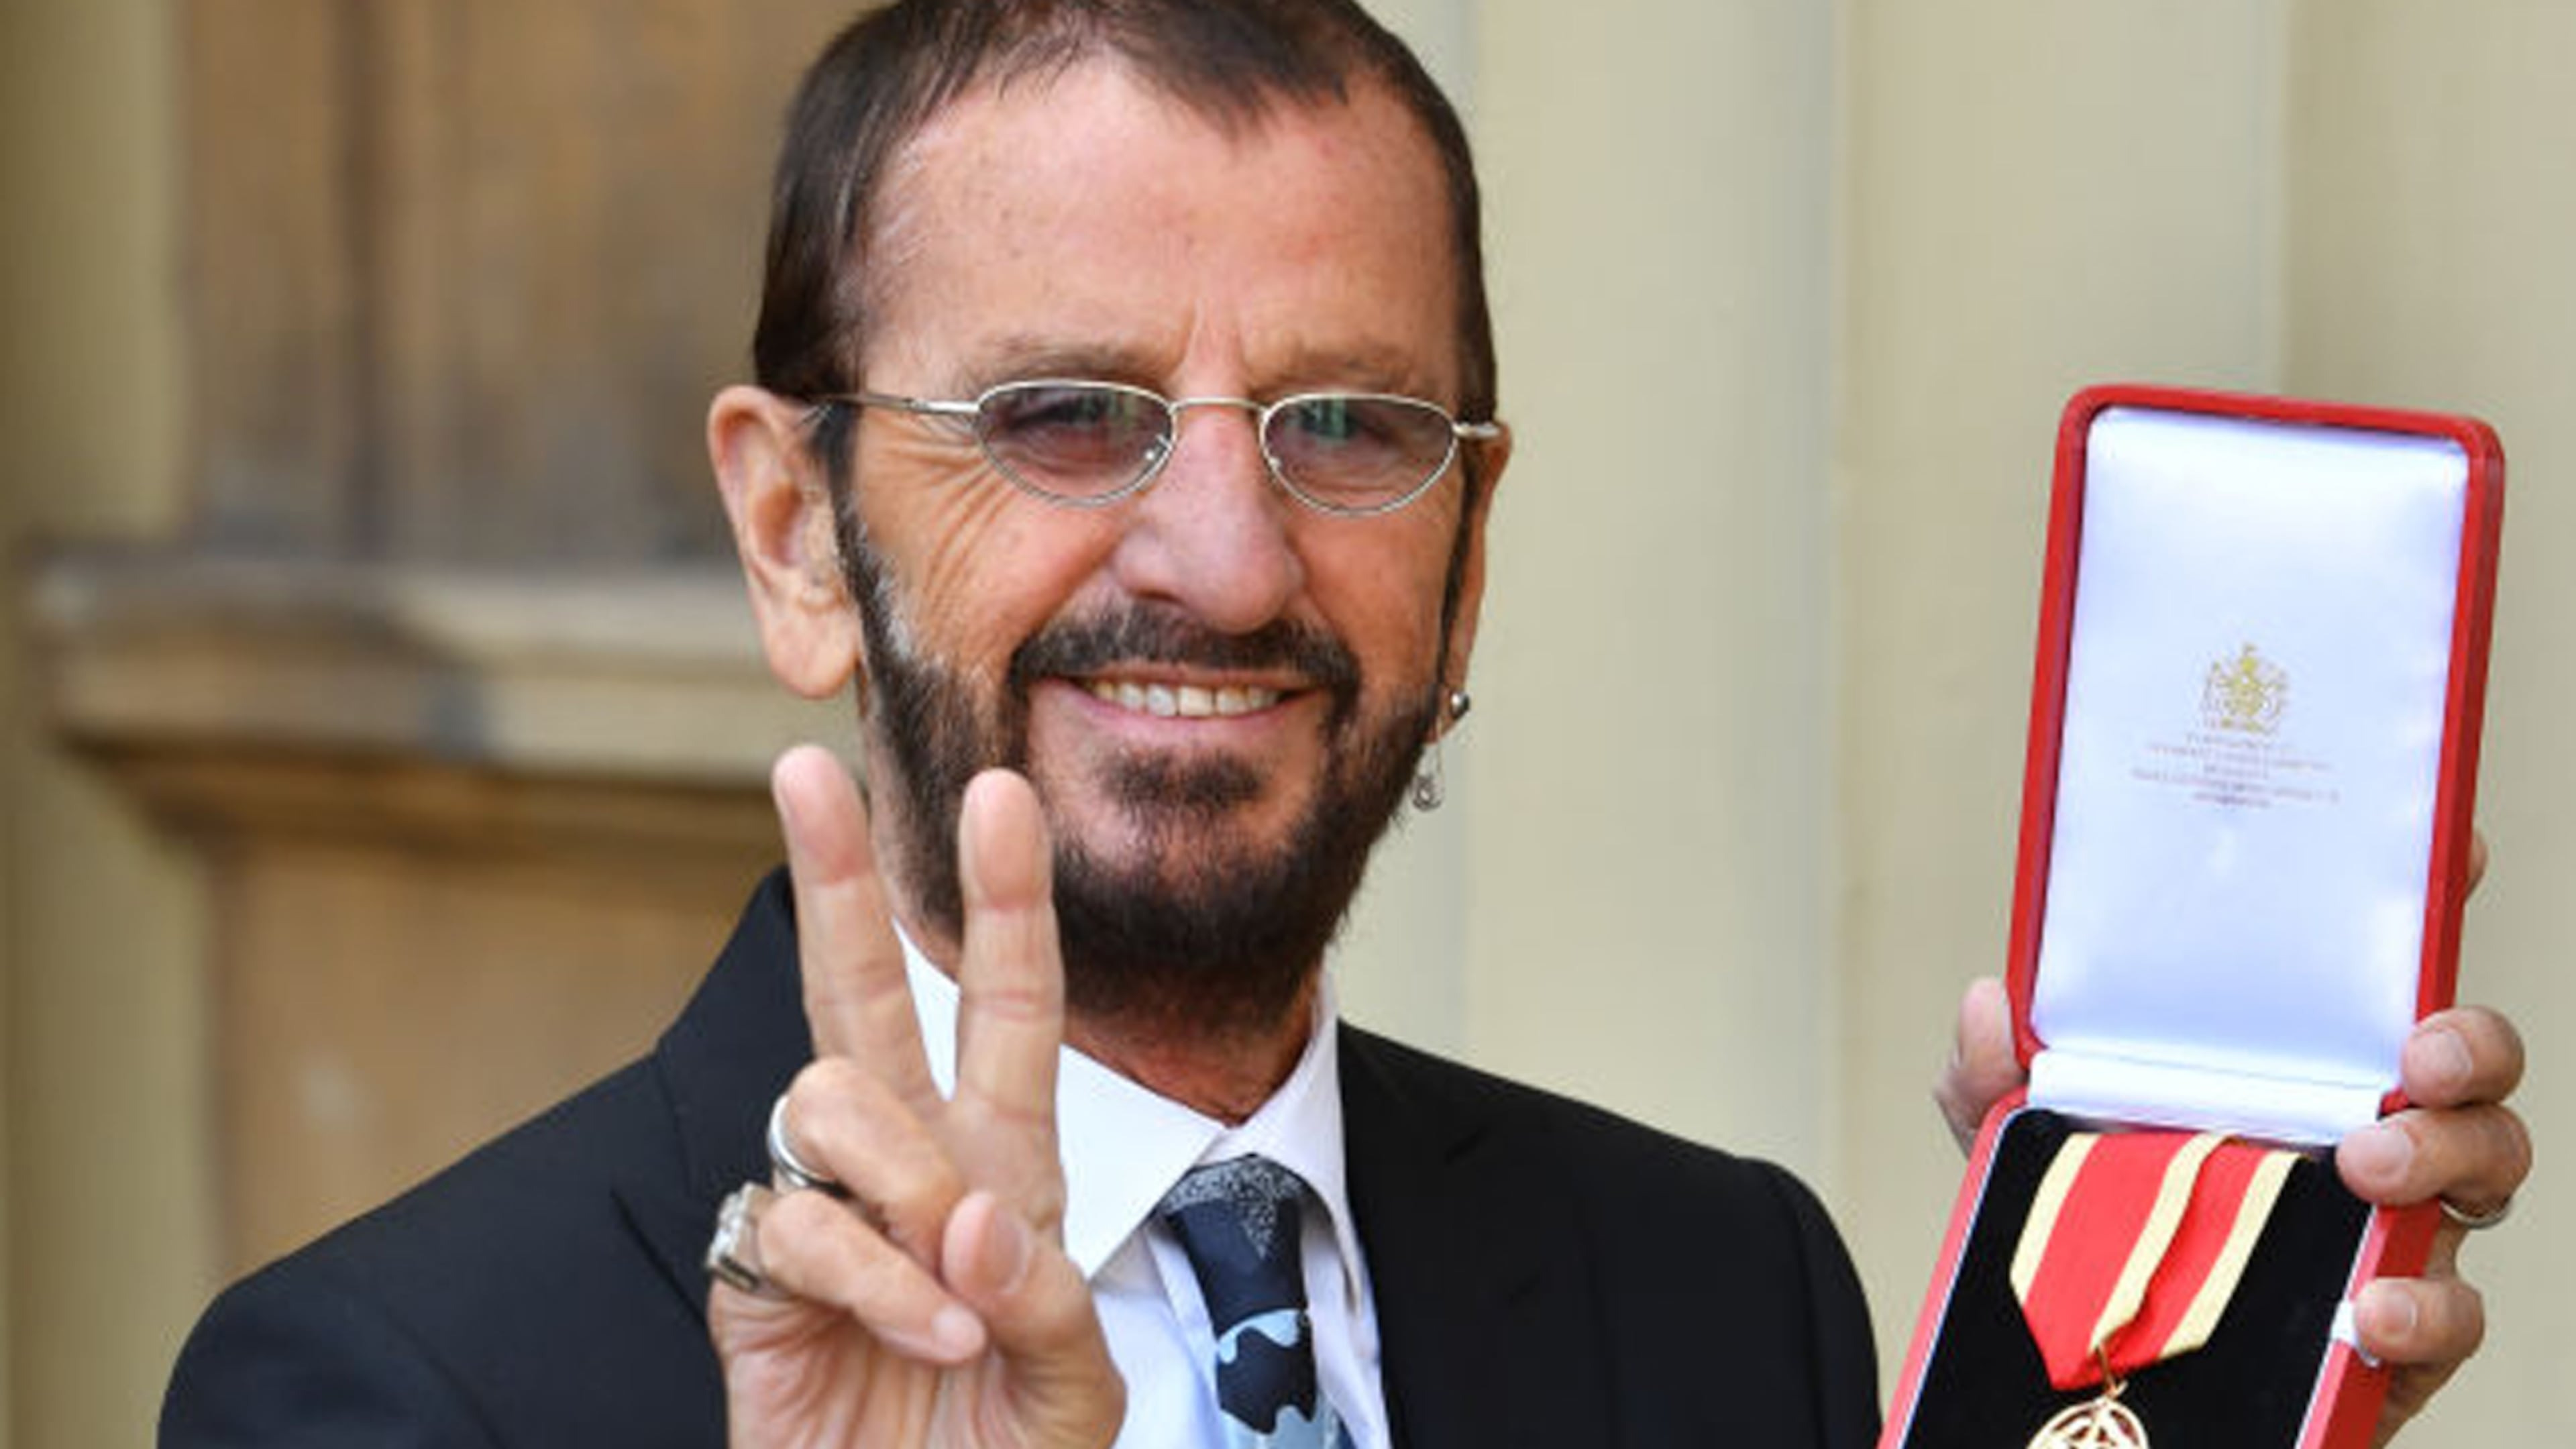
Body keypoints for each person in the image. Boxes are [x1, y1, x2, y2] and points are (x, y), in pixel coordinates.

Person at [161, 2, 2530, 1446]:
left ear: (1471, 544)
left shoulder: (1730, 1303)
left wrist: (2174, 1392)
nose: (1226, 556)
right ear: (799, 534)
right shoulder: (388, 1399)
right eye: (1070, 414)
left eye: (1350, 427)